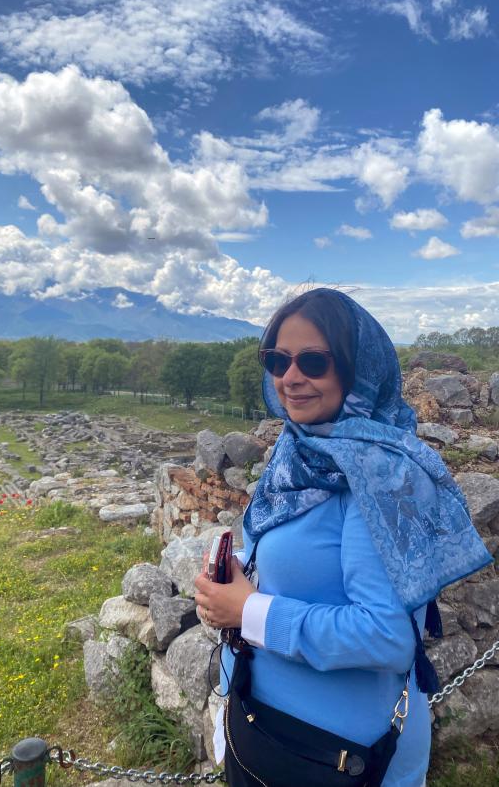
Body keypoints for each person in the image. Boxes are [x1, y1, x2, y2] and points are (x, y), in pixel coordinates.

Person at [194, 288, 491, 787]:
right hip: (265, 731)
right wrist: (241, 568)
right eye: (277, 360)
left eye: (313, 361)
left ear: (358, 370)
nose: (290, 377)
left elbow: (388, 638)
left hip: (338, 757)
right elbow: (310, 556)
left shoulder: (381, 476)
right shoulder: (303, 451)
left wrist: (248, 612)